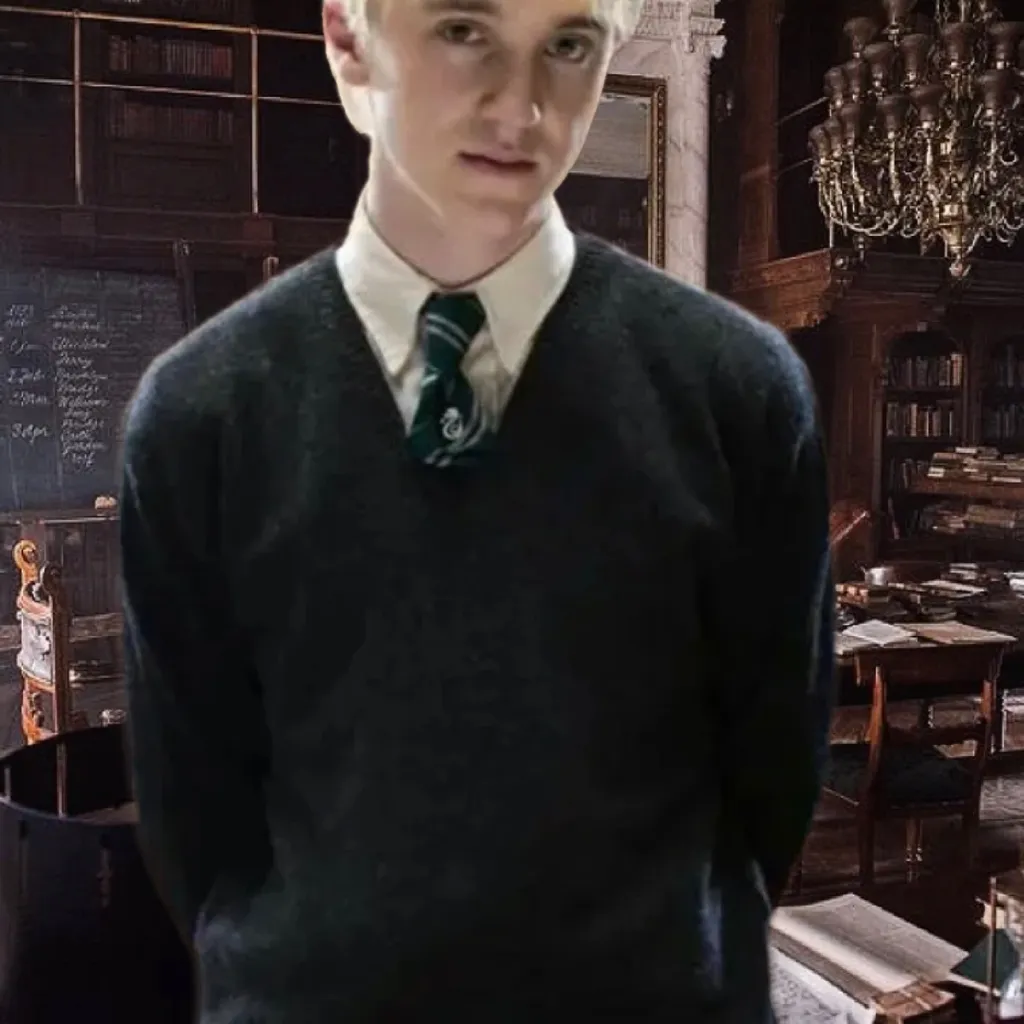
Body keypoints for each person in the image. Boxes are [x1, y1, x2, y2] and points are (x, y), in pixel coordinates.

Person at [119, 0, 835, 1019]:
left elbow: (774, 780)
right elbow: (191, 819)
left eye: (568, 45)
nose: (521, 105)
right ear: (349, 41)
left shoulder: (740, 391)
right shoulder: (199, 414)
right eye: (464, 30)